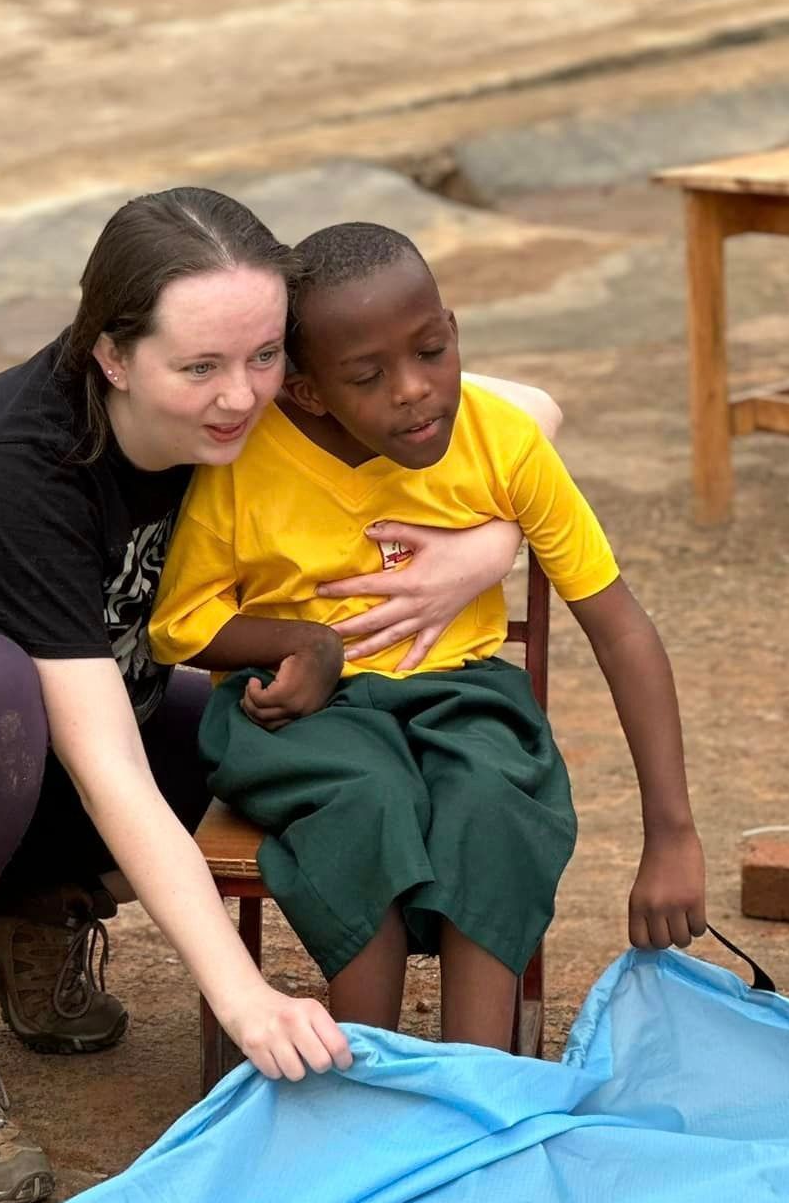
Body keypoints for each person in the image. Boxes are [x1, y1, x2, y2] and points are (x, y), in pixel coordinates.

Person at [0, 187, 553, 1203]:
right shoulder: (12, 461)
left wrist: (482, 549)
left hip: (7, 763)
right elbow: (104, 760)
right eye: (199, 366)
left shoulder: (252, 396)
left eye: (266, 355)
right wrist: (245, 998)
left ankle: (28, 906)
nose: (241, 395)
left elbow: (529, 411)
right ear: (111, 354)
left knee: (276, 726)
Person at [149, 222, 707, 1049]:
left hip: (464, 691)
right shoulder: (247, 461)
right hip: (304, 716)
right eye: (368, 376)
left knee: (492, 800)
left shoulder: (501, 442)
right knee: (367, 798)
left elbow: (618, 627)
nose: (413, 390)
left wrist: (672, 833)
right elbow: (179, 624)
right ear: (306, 391)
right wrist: (298, 645)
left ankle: (474, 1078)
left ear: (455, 333)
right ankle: (370, 1074)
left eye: (432, 351)